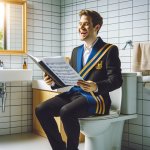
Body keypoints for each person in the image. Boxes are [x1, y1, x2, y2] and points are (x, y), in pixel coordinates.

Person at [35, 10, 123, 150]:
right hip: (75, 95)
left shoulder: (109, 50)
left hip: (97, 97)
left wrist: (96, 86)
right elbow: (70, 79)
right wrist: (52, 81)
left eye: (86, 24)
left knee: (66, 111)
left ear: (97, 27)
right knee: (41, 109)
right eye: (80, 24)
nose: (81, 28)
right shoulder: (76, 51)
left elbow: (117, 80)